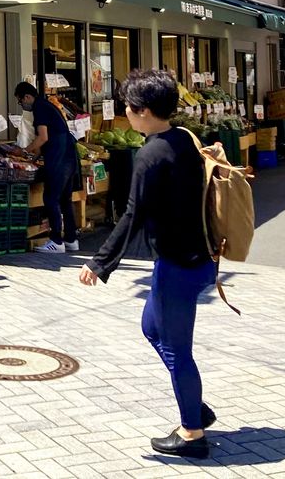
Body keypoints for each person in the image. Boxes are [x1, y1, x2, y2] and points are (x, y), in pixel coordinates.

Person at [78, 69, 217, 458]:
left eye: (127, 106)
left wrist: (100, 263)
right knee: (151, 328)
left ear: (140, 111)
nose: (126, 111)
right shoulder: (184, 139)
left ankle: (192, 434)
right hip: (192, 256)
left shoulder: (151, 153)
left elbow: (132, 214)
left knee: (176, 349)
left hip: (180, 262)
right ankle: (196, 408)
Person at [14, 82, 80, 253]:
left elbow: (43, 137)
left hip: (58, 159)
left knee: (51, 198)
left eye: (21, 101)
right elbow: (47, 139)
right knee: (65, 199)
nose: (22, 105)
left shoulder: (39, 108)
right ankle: (71, 240)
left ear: (27, 97)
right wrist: (34, 157)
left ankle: (56, 241)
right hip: (70, 156)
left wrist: (24, 151)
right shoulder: (49, 106)